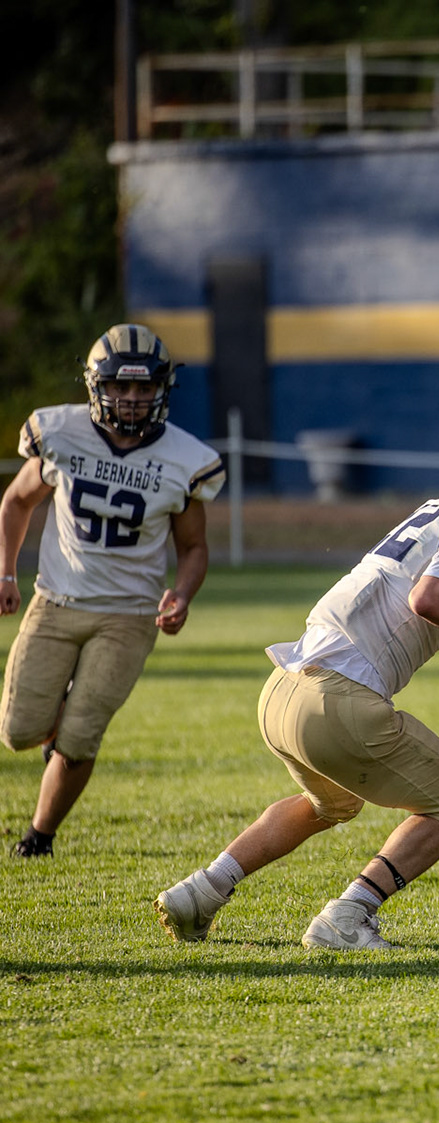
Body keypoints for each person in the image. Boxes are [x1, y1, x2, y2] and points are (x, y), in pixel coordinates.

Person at [154, 426, 439, 949]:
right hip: (339, 699)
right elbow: (431, 599)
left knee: (331, 805)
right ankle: (348, 916)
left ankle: (200, 891)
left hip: (283, 688)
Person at [1, 323, 224, 858]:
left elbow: (193, 548)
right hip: (55, 601)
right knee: (18, 731)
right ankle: (55, 739)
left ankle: (39, 836)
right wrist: (6, 572)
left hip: (128, 616)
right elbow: (15, 502)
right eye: (120, 387)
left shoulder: (184, 458)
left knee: (81, 738)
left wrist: (183, 595)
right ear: (95, 385)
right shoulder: (60, 433)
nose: (131, 399)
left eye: (143, 388)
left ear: (162, 389)